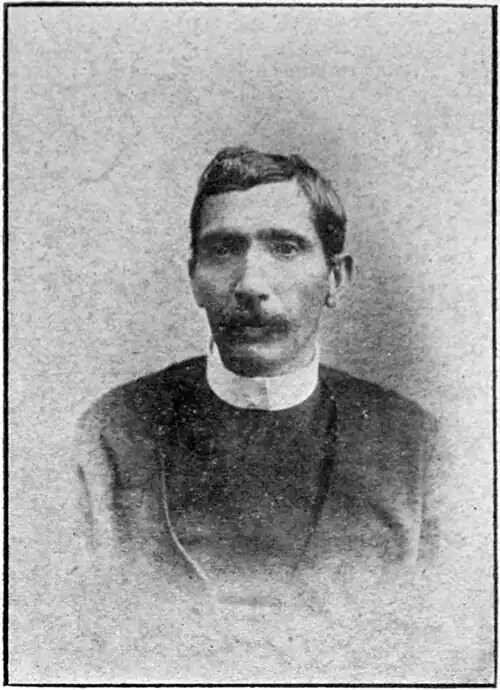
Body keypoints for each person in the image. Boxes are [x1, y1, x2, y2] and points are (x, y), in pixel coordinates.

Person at [74, 146, 441, 586]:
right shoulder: (110, 435)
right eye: (223, 249)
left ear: (335, 278)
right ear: (194, 279)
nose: (249, 284)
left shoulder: (416, 445)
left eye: (285, 248)